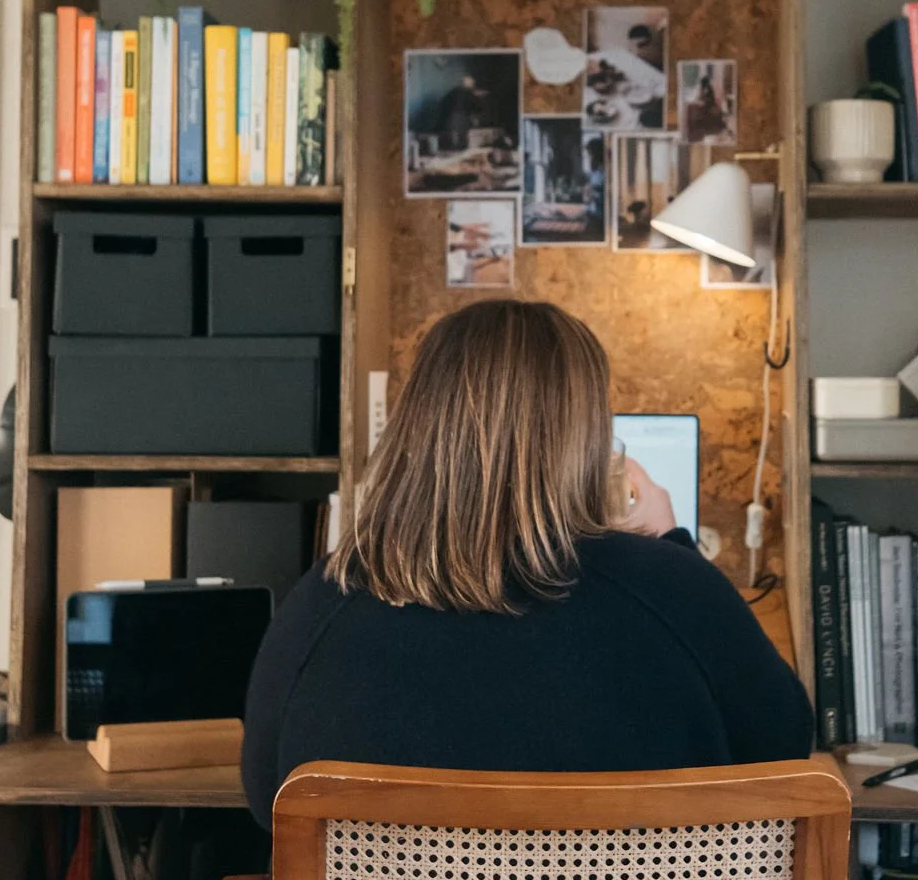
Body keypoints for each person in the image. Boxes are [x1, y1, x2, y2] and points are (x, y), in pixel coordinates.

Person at [243, 299, 813, 832]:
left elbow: (268, 798)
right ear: (586, 440)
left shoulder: (328, 596)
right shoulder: (676, 591)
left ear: (417, 430)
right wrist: (671, 545)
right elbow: (786, 746)